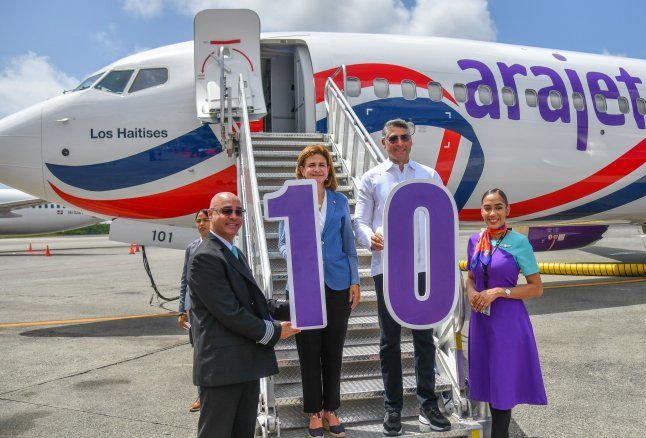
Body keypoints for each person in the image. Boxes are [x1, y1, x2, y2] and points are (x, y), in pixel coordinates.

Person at [353, 119, 452, 435]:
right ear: (384, 143)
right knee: (390, 341)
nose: (399, 143)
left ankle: (427, 404)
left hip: (422, 269)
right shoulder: (371, 178)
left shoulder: (428, 175)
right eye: (392, 139)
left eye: (404, 138)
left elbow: (440, 217)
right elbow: (360, 221)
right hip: (389, 269)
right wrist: (370, 238)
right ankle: (392, 408)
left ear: (411, 141)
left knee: (424, 339)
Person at [188, 192, 300, 438]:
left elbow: (254, 302)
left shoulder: (232, 252)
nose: (234, 217)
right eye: (226, 211)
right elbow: (230, 313)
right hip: (223, 368)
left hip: (244, 364)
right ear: (210, 215)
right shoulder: (206, 256)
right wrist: (275, 331)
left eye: (239, 212)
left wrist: (299, 306)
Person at [278, 144, 361, 438]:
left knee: (333, 350)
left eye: (321, 164)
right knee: (309, 351)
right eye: (310, 164)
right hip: (305, 285)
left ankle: (331, 409)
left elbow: (348, 245)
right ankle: (314, 411)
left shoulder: (339, 201)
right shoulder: (293, 200)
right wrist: (300, 259)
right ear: (301, 169)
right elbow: (283, 244)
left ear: (329, 170)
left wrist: (355, 280)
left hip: (338, 283)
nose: (316, 169)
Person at [466, 188, 547, 438]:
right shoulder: (474, 241)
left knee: (502, 389)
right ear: (481, 211)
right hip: (481, 322)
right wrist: (471, 292)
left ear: (507, 211)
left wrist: (500, 291)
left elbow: (536, 288)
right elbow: (470, 277)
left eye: (498, 207)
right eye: (488, 208)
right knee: (489, 384)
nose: (493, 213)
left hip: (507, 324)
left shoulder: (519, 243)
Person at [178, 209, 210, 412]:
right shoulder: (192, 248)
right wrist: (182, 309)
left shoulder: (223, 246)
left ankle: (214, 394)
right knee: (198, 354)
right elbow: (185, 280)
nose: (201, 224)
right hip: (195, 311)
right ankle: (201, 395)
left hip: (213, 309)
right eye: (198, 221)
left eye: (204, 220)